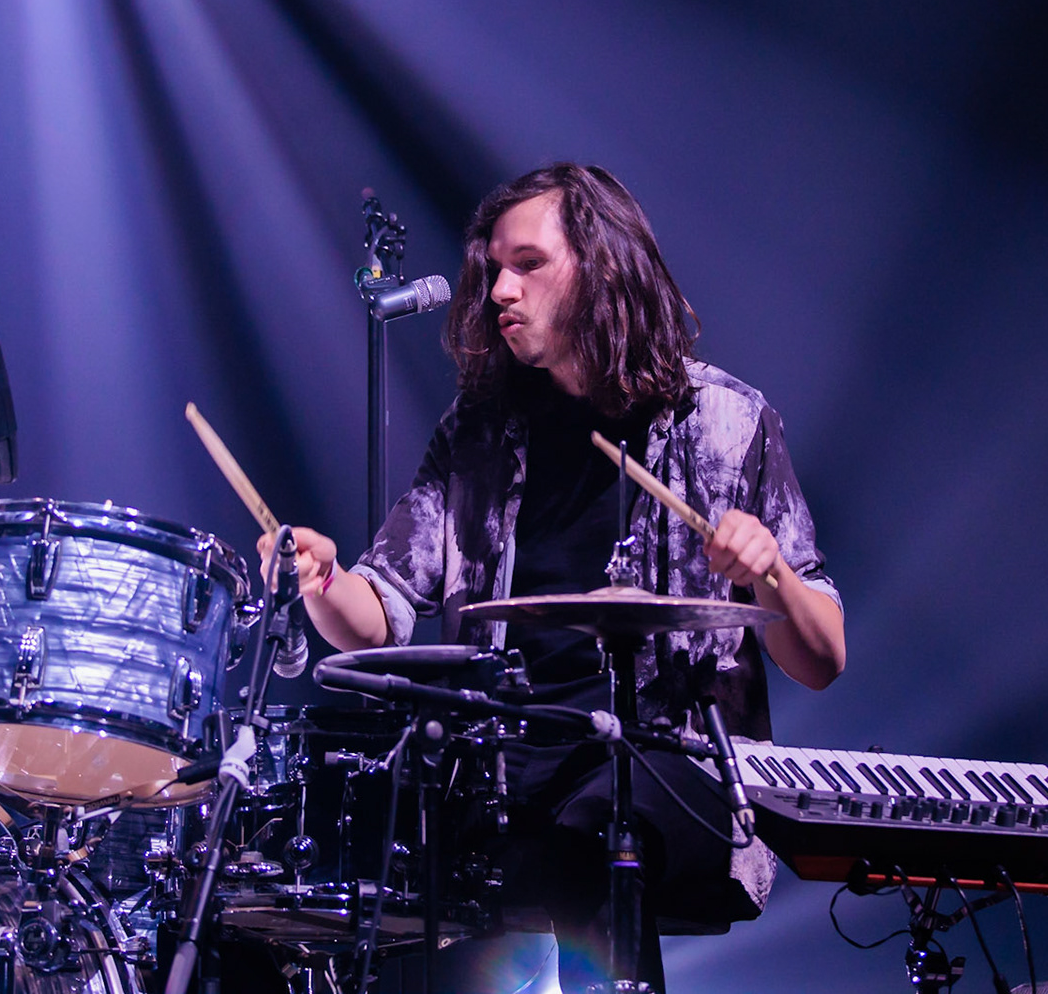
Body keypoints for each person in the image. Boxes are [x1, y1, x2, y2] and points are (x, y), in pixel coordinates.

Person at [268, 163, 845, 992]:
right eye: (493, 268)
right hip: (499, 769)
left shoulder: (724, 423)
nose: (499, 288)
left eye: (528, 264)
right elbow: (380, 610)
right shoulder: (481, 431)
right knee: (361, 837)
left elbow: (821, 659)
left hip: (670, 772)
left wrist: (771, 574)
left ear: (603, 267)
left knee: (597, 822)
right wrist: (319, 578)